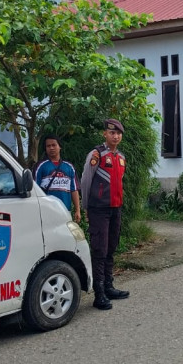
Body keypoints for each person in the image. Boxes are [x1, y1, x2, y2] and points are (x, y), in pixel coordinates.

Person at [80, 119, 130, 310]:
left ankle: (109, 287)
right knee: (99, 249)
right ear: (105, 134)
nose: (115, 136)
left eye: (118, 133)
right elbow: (85, 181)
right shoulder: (96, 155)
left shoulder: (121, 157)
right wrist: (85, 207)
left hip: (115, 208)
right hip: (98, 209)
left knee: (111, 247)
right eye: (112, 133)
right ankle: (98, 292)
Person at [34, 135, 81, 222]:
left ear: (60, 147)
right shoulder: (40, 166)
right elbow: (35, 189)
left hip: (65, 210)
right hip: (46, 211)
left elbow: (74, 190)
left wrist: (77, 210)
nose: (51, 148)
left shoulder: (69, 167)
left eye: (54, 145)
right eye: (48, 146)